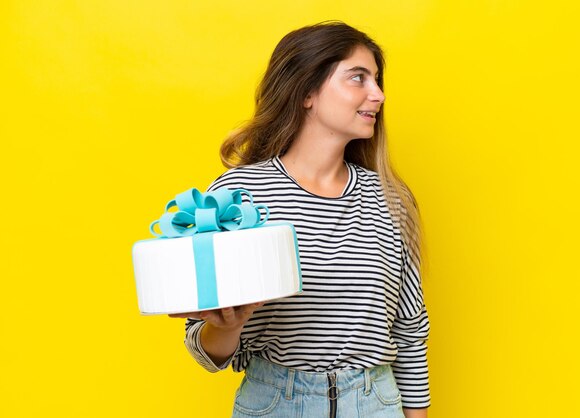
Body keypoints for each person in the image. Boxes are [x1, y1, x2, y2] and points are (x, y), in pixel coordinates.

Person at [170, 21, 430, 418]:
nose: (377, 94)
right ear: (307, 92)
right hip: (275, 403)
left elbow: (411, 332)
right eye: (358, 78)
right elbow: (205, 350)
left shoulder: (391, 198)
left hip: (376, 404)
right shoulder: (240, 193)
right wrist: (226, 325)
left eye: (377, 80)